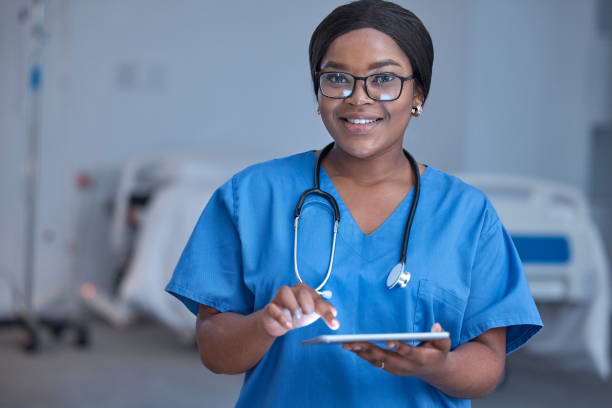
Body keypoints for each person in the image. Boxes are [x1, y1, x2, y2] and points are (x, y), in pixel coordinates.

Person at [165, 1, 542, 406]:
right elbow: (214, 352)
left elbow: (488, 362)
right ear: (318, 90)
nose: (358, 97)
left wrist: (438, 367)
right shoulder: (252, 196)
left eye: (383, 79)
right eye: (338, 77)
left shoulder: (467, 214)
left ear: (418, 93)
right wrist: (265, 324)